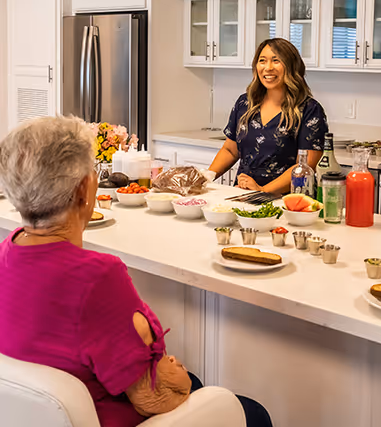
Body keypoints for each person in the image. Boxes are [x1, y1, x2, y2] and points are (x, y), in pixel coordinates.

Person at [0, 116, 272, 427]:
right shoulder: (97, 277)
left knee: (193, 379)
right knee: (251, 413)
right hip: (106, 416)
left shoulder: (5, 252)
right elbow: (156, 397)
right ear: (83, 189)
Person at [209, 37, 328, 193]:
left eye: (276, 61)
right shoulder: (245, 103)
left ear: (291, 67)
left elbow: (305, 166)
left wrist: (262, 190)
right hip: (243, 194)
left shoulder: (309, 110)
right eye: (262, 60)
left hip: (288, 202)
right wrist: (206, 177)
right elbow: (230, 150)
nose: (268, 68)